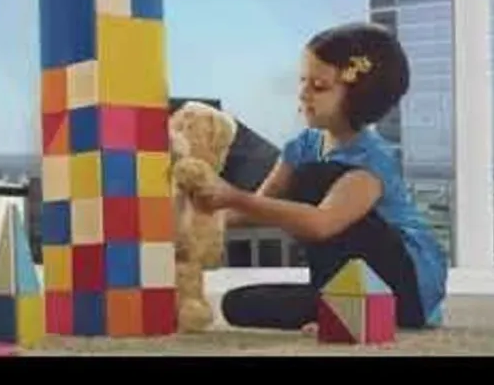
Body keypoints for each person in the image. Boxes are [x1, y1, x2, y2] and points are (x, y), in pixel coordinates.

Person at [188, 22, 448, 332]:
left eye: (319, 86)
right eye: (303, 81)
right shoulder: (303, 146)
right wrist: (195, 219)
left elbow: (321, 223)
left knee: (315, 176)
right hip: (338, 279)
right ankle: (338, 308)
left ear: (359, 96)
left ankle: (367, 308)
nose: (303, 94)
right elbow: (258, 207)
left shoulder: (371, 160)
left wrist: (233, 196)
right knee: (236, 305)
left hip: (402, 284)